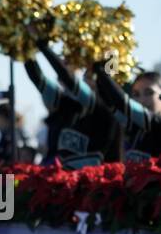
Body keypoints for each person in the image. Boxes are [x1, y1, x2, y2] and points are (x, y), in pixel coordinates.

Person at [23, 36, 122, 167]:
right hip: (66, 182)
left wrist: (43, 45)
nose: (91, 82)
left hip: (99, 185)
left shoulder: (107, 110)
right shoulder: (67, 105)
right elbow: (38, 79)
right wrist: (23, 44)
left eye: (96, 77)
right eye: (88, 77)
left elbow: (69, 79)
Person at [92, 65, 161, 163]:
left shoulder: (159, 123)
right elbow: (109, 105)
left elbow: (122, 102)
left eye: (149, 93)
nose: (142, 100)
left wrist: (102, 72)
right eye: (136, 94)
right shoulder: (135, 127)